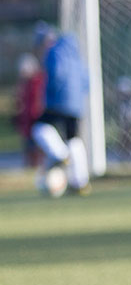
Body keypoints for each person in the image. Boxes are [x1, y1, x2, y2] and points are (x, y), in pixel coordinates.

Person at [31, 21, 91, 194]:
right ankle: (80, 183)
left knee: (39, 127)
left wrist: (50, 94)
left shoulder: (53, 51)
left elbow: (57, 73)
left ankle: (60, 155)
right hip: (77, 103)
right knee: (73, 138)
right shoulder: (75, 53)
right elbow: (86, 79)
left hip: (59, 100)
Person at [13, 53, 45, 168]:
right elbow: (20, 102)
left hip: (35, 117)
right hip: (27, 119)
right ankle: (30, 166)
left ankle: (39, 166)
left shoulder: (38, 82)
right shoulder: (24, 85)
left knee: (37, 145)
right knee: (28, 145)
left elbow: (37, 102)